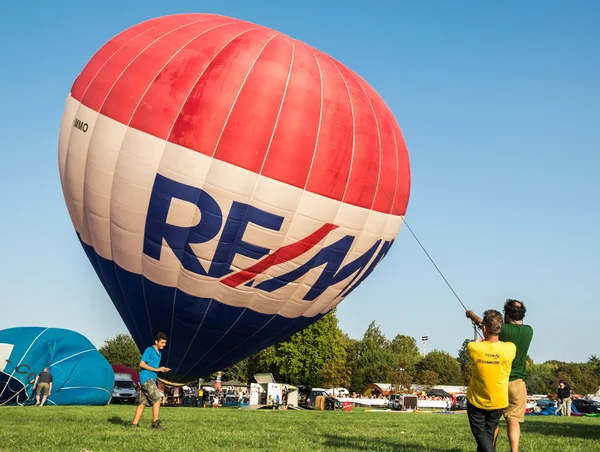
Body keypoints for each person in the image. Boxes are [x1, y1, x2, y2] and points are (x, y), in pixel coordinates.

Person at [467, 299, 533, 452]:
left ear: (506, 314)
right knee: (514, 420)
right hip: (518, 381)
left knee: (492, 422)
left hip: (499, 381)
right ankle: (514, 450)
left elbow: (486, 324)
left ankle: (491, 447)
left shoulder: (503, 330)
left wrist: (470, 314)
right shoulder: (529, 331)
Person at [465, 310, 516, 452]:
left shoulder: (474, 347)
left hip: (477, 401)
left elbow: (475, 344)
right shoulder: (510, 348)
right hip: (498, 401)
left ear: (484, 328)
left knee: (481, 434)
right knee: (488, 434)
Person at [131, 332, 170, 429]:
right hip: (146, 378)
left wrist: (161, 369)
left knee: (143, 402)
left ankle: (134, 424)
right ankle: (155, 423)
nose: (164, 345)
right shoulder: (149, 350)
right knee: (157, 398)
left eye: (165, 343)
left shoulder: (159, 353)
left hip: (151, 378)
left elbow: (154, 366)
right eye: (162, 342)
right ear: (156, 342)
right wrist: (157, 369)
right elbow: (142, 364)